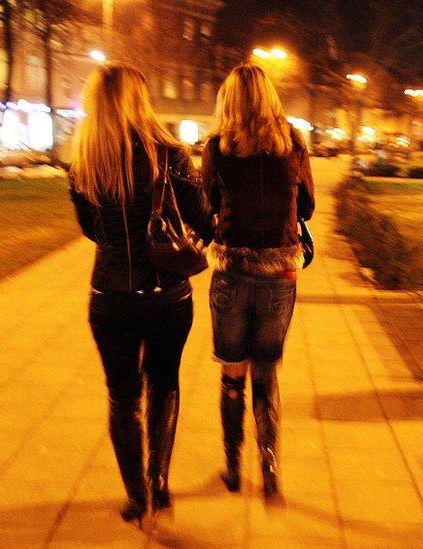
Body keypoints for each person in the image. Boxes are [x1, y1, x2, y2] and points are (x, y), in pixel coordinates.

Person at [68, 62, 215, 524]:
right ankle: (160, 481)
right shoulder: (169, 154)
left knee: (121, 396)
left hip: (110, 297)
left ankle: (136, 497)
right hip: (167, 295)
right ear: (140, 100)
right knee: (164, 384)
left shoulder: (84, 160)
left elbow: (92, 230)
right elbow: (204, 220)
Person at [201, 63, 316, 500]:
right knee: (267, 374)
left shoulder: (217, 147)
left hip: (232, 271)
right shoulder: (294, 144)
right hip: (279, 275)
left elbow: (207, 202)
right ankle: (269, 468)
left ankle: (233, 466)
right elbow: (307, 205)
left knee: (233, 377)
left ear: (228, 101)